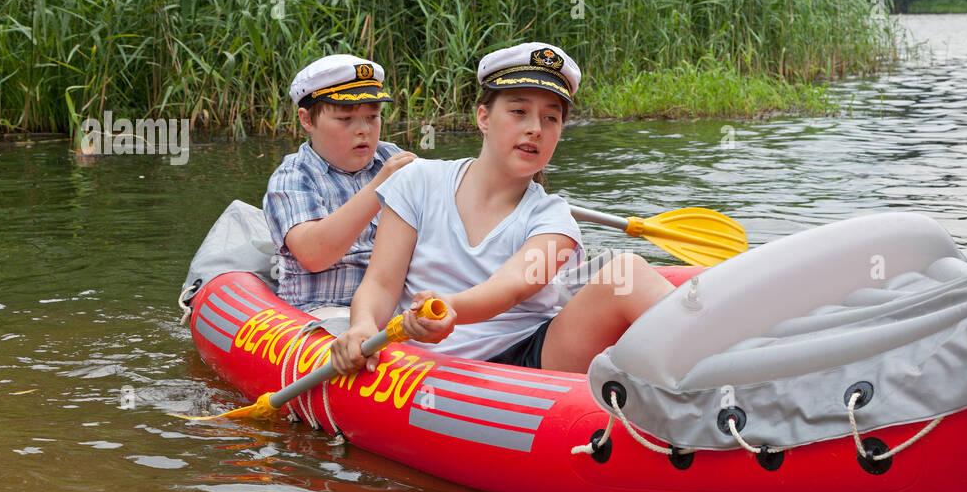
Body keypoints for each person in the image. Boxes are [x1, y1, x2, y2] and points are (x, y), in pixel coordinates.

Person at [329, 41, 674, 375]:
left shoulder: (554, 217)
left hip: (528, 360)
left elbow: (509, 288)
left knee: (629, 273)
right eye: (519, 112)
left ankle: (716, 387)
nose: (535, 129)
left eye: (551, 119)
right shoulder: (416, 181)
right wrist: (360, 326)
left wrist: (449, 307)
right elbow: (380, 284)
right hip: (426, 365)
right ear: (483, 117)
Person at [264, 54, 417, 318]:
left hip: (392, 307)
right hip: (324, 311)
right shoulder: (292, 177)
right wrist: (380, 187)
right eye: (345, 119)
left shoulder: (390, 158)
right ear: (307, 120)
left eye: (372, 116)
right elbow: (315, 255)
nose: (363, 130)